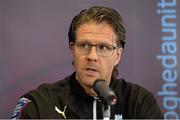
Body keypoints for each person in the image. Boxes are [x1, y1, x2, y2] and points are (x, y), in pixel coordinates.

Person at [11, 6, 163, 119]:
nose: (92, 56)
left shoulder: (139, 102)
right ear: (72, 49)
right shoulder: (39, 103)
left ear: (117, 55)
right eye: (84, 45)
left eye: (103, 47)